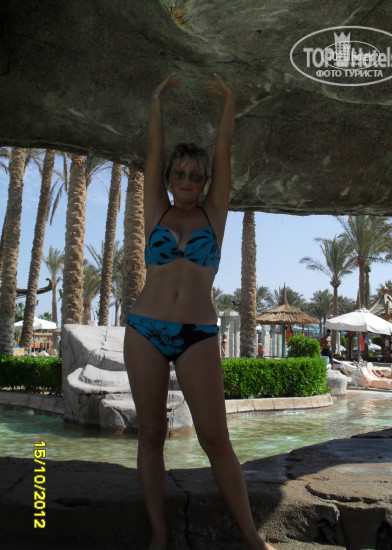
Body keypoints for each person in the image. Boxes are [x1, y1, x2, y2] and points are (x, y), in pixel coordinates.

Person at [123, 74, 273, 550]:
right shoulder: (156, 210)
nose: (185, 181)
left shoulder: (214, 214)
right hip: (145, 329)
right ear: (168, 179)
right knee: (151, 435)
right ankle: (159, 535)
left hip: (198, 334)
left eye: (194, 175)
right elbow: (154, 148)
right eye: (178, 174)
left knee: (215, 439)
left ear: (204, 182)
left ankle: (252, 539)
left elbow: (223, 148)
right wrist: (155, 98)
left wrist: (230, 100)